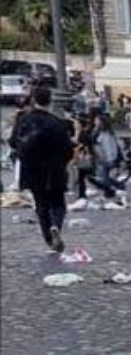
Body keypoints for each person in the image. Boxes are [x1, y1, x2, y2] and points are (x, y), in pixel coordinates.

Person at [8, 85, 73, 252]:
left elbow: (13, 142)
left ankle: (49, 238)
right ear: (49, 101)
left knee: (41, 205)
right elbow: (68, 150)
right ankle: (56, 225)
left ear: (34, 100)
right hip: (54, 169)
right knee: (58, 204)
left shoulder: (24, 120)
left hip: (32, 170)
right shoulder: (57, 123)